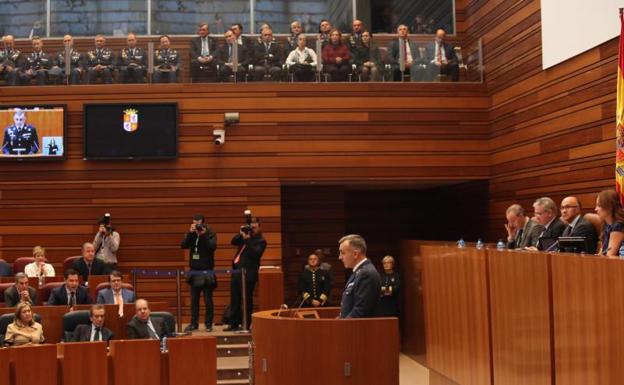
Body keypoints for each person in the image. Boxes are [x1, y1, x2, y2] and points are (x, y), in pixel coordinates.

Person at [224, 215, 267, 331]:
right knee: (235, 298)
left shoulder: (261, 241)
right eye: (251, 227)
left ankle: (246, 324)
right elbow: (233, 241)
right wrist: (241, 233)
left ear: (259, 227)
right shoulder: (244, 237)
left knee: (246, 299)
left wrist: (248, 239)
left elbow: (255, 254)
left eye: (254, 227)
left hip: (249, 274)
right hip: (237, 272)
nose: (252, 229)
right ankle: (233, 323)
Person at [180, 214, 217, 332]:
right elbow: (183, 245)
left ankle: (208, 324)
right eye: (195, 223)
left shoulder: (210, 233)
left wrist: (203, 235)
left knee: (208, 300)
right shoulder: (192, 233)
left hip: (207, 270)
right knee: (194, 300)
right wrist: (191, 233)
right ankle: (193, 323)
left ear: (204, 223)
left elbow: (212, 247)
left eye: (199, 224)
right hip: (194, 270)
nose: (197, 226)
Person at [338, 234, 381, 318]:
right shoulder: (358, 272)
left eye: (342, 253)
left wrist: (341, 326)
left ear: (355, 254)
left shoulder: (366, 274)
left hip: (358, 329)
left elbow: (360, 312)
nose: (340, 257)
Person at [595, 189, 624, 257]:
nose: (596, 209)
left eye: (599, 206)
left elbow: (610, 255)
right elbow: (602, 252)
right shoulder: (606, 225)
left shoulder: (618, 225)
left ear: (609, 207)